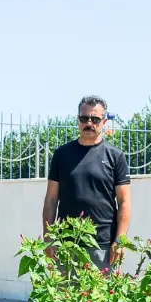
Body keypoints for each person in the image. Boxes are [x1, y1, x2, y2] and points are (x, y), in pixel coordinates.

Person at [42, 96, 132, 270]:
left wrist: (119, 240)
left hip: (103, 245)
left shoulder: (115, 156)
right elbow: (51, 199)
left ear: (104, 121)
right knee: (66, 296)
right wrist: (48, 237)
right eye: (84, 118)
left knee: (101, 297)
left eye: (95, 119)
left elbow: (124, 201)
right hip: (66, 243)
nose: (89, 123)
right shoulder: (62, 155)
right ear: (78, 120)